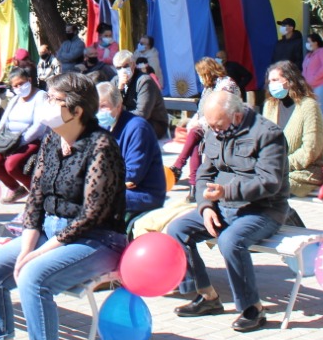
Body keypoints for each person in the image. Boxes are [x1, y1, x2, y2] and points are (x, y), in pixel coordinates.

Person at [0, 73, 128, 340]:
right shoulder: (52, 139)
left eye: (53, 99)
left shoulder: (102, 145)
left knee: (33, 278)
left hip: (97, 239)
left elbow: (91, 216)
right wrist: (28, 247)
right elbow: (36, 198)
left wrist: (35, 257)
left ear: (76, 109)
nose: (46, 104)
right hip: (51, 232)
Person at [167, 89, 288, 333]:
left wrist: (226, 192)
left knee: (230, 240)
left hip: (263, 210)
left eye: (218, 124)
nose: (214, 129)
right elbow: (203, 174)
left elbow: (270, 182)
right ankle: (207, 296)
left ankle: (252, 308)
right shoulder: (214, 131)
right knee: (177, 230)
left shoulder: (268, 134)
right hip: (222, 206)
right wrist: (206, 207)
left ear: (235, 115)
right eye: (211, 124)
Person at [97, 82, 166, 221]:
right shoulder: (103, 127)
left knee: (96, 199)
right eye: (96, 107)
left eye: (104, 106)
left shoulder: (137, 128)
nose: (99, 112)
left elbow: (132, 176)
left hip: (143, 193)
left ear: (118, 106)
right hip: (117, 187)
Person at [170, 58, 240, 189]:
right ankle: (193, 184)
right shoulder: (208, 88)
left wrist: (200, 123)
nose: (199, 78)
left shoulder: (226, 85)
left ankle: (181, 169)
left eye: (200, 74)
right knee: (195, 140)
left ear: (207, 72)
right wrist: (194, 120)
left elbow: (221, 111)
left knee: (195, 134)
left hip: (225, 124)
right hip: (208, 125)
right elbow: (201, 110)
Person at [261, 61, 323, 199]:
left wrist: (281, 164)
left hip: (304, 173)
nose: (272, 85)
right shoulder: (270, 106)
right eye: (270, 81)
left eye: (276, 80)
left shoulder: (308, 106)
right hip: (275, 170)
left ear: (289, 80)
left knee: (268, 188)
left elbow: (311, 150)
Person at [0, 66, 47, 204]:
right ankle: (15, 188)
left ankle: (38, 192)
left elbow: (39, 126)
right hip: (9, 139)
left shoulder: (40, 96)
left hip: (30, 140)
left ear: (29, 80)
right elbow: (3, 121)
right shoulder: (15, 99)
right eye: (15, 86)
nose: (19, 87)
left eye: (21, 83)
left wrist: (20, 143)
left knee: (11, 165)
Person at [112, 49, 168, 140]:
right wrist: (120, 89)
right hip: (127, 119)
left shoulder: (144, 81)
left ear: (133, 64)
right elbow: (111, 105)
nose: (122, 70)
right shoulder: (115, 81)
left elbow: (142, 114)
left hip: (152, 123)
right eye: (118, 68)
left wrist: (118, 116)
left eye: (125, 66)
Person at [302, 33, 323, 137]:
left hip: (322, 85)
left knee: (321, 109)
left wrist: (313, 79)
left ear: (316, 42)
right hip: (309, 86)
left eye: (309, 41)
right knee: (312, 110)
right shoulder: (309, 55)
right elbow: (304, 70)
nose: (308, 44)